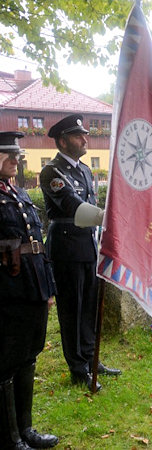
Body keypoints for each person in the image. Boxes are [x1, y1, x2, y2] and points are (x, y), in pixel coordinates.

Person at [40, 114, 121, 393]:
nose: (85, 139)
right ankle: (77, 368)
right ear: (62, 141)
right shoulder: (52, 172)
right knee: (72, 309)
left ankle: (90, 357)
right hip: (66, 248)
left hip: (87, 246)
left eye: (84, 134)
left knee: (88, 306)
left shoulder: (85, 170)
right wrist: (110, 218)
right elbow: (74, 207)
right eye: (78, 136)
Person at [0, 131, 59, 449]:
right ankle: (10, 437)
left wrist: (48, 288)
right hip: (8, 292)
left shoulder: (18, 194)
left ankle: (27, 429)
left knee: (28, 357)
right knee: (7, 361)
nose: (15, 159)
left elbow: (37, 243)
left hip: (33, 286)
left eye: (16, 154)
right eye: (7, 154)